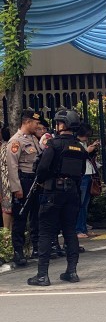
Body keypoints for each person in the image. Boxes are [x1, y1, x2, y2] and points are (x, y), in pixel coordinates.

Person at [27, 110, 88, 286]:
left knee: (46, 232)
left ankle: (42, 275)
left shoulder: (54, 145)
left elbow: (41, 169)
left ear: (62, 125)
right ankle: (72, 272)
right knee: (70, 231)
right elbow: (82, 171)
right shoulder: (79, 147)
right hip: (72, 193)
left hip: (53, 192)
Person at [7, 110, 44, 266]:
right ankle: (18, 252)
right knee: (21, 218)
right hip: (24, 181)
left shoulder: (33, 139)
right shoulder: (15, 141)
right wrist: (17, 188)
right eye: (35, 123)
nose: (37, 126)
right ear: (27, 122)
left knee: (37, 215)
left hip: (35, 181)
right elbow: (12, 166)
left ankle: (36, 248)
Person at [75, 125, 100, 238]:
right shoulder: (75, 144)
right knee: (80, 204)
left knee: (85, 204)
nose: (86, 138)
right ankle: (78, 229)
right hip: (82, 174)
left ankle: (83, 228)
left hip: (89, 174)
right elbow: (79, 157)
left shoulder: (84, 143)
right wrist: (87, 151)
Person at [1, 127, 12, 231]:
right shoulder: (7, 147)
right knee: (8, 208)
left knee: (7, 208)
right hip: (8, 181)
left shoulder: (4, 147)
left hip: (5, 181)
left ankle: (6, 233)